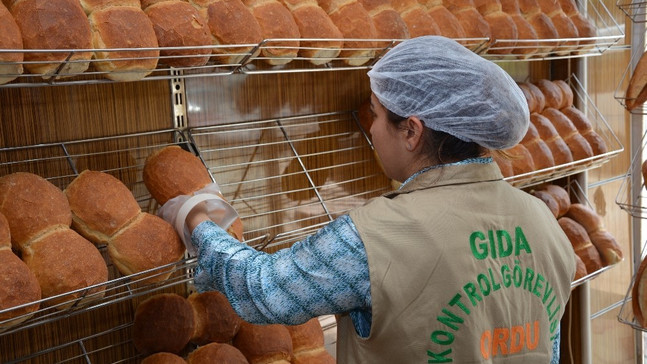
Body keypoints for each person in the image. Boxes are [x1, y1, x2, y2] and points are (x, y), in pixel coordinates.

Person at [159, 35, 576, 363]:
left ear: (412, 131)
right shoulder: (542, 219)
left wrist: (196, 217)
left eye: (376, 114)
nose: (372, 129)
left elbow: (263, 290)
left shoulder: (376, 236)